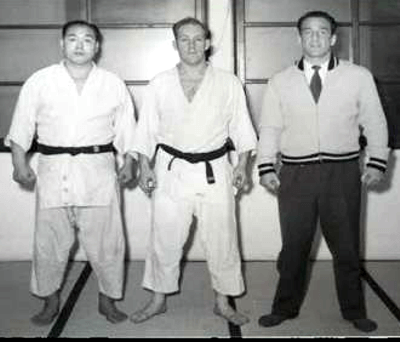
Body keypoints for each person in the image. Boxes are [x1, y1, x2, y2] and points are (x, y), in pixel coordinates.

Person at [256, 10, 389, 333]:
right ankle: (284, 307)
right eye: (308, 32)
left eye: (322, 32)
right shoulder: (280, 80)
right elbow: (270, 127)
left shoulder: (358, 76)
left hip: (341, 173)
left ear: (332, 38)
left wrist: (376, 161)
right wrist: (265, 166)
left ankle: (354, 310)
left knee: (346, 247)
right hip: (296, 174)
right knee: (294, 247)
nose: (315, 37)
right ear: (298, 38)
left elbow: (374, 120)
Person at [6, 20, 137, 325]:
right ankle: (50, 301)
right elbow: (21, 125)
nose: (80, 45)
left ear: (97, 46)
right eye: (73, 39)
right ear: (61, 44)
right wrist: (19, 163)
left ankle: (108, 300)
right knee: (49, 243)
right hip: (54, 170)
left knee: (107, 242)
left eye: (87, 40)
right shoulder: (40, 81)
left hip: (99, 170)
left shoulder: (112, 83)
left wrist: (129, 162)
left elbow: (127, 129)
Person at [129, 17, 257, 326]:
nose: (192, 45)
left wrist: (242, 165)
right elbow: (146, 129)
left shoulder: (228, 82)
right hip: (170, 169)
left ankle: (223, 301)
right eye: (184, 40)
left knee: (222, 238)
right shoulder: (160, 82)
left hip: (215, 169)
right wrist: (145, 165)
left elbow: (242, 127)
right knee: (164, 237)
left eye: (198, 39)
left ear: (208, 42)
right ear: (175, 45)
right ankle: (158, 299)